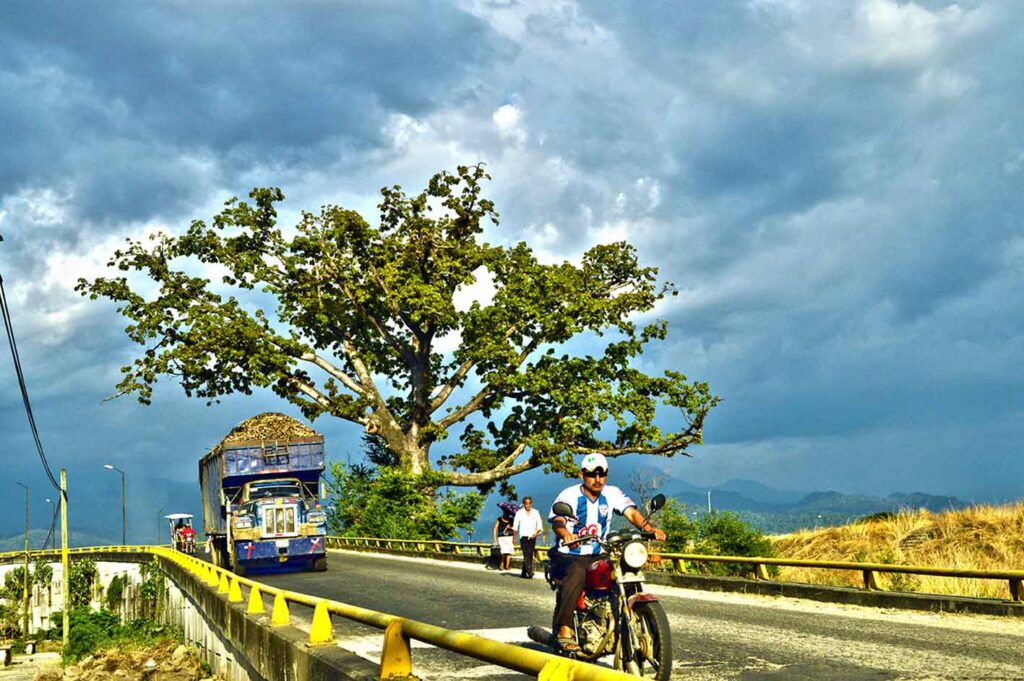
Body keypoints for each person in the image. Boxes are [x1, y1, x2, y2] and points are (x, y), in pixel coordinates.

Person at [548, 453, 666, 654]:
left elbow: (631, 513)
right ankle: (565, 629)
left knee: (624, 567)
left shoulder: (611, 493)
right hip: (570, 553)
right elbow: (559, 520)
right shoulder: (569, 495)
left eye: (602, 474)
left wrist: (650, 529)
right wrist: (565, 533)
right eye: (592, 474)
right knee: (577, 571)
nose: (597, 479)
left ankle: (626, 619)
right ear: (582, 474)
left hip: (599, 552)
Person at [513, 496, 543, 578]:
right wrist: (514, 538)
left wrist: (536, 533)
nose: (528, 505)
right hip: (523, 536)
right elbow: (515, 526)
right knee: (526, 553)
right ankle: (530, 572)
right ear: (523, 504)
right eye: (526, 504)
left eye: (529, 503)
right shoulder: (519, 513)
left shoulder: (536, 512)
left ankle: (523, 572)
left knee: (529, 554)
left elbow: (540, 525)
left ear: (531, 503)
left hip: (533, 536)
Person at [493, 502, 518, 572]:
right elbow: (495, 529)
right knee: (503, 551)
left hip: (510, 537)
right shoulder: (499, 520)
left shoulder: (512, 520)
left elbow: (515, 529)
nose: (506, 513)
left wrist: (510, 528)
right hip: (501, 537)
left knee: (509, 551)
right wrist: (495, 539)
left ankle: (507, 566)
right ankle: (501, 563)